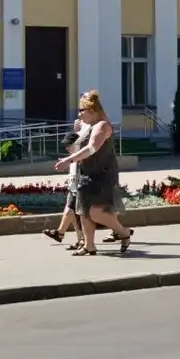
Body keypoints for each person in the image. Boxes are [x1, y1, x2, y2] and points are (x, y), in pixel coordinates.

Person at [53, 90, 134, 255]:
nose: (79, 114)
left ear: (92, 110)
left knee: (95, 212)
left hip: (102, 174)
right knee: (83, 210)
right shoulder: (89, 126)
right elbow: (77, 146)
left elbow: (91, 148)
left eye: (81, 110)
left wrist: (68, 160)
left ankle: (124, 232)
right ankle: (89, 245)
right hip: (86, 173)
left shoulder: (102, 126)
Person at [43, 112, 88, 250]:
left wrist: (78, 131)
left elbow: (83, 141)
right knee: (71, 213)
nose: (67, 148)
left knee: (73, 213)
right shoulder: (72, 157)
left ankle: (121, 232)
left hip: (80, 188)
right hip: (73, 187)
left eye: (69, 145)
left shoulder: (80, 156)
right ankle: (76, 238)